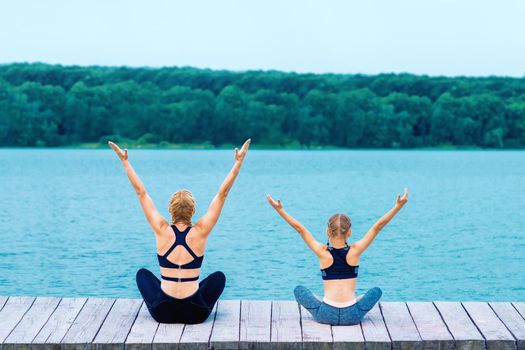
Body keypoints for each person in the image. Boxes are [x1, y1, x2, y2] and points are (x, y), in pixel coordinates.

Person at [109, 139, 250, 324]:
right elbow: (222, 194)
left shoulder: (161, 230)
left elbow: (141, 193)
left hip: (163, 312)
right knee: (218, 278)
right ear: (193, 211)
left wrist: (125, 161)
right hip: (195, 313)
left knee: (142, 274)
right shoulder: (201, 231)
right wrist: (238, 162)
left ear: (170, 210)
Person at [266, 188, 409, 325]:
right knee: (376, 291)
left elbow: (300, 229)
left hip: (326, 314)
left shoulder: (323, 253)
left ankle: (329, 301)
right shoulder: (356, 251)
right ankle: (353, 301)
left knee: (299, 290)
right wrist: (398, 206)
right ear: (349, 232)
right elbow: (378, 226)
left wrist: (280, 210)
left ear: (328, 231)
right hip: (353, 315)